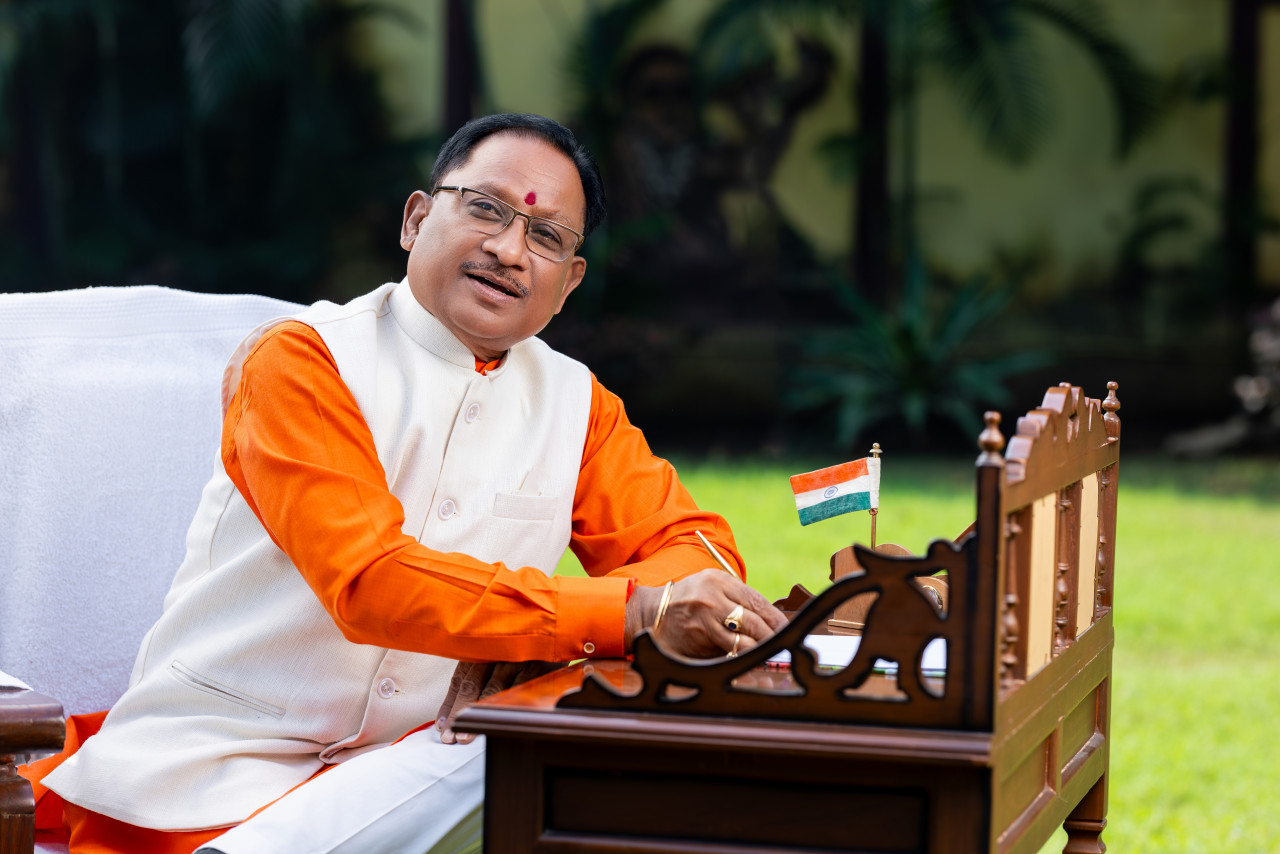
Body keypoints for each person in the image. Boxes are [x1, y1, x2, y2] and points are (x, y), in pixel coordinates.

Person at [23, 113, 787, 854]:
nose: (509, 249)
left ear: (569, 283)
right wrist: (614, 615)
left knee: (548, 742)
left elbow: (699, 556)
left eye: (546, 236)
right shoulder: (301, 361)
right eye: (485, 208)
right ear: (416, 219)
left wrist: (561, 634)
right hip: (208, 777)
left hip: (419, 769)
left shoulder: (578, 404)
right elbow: (372, 582)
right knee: (528, 757)